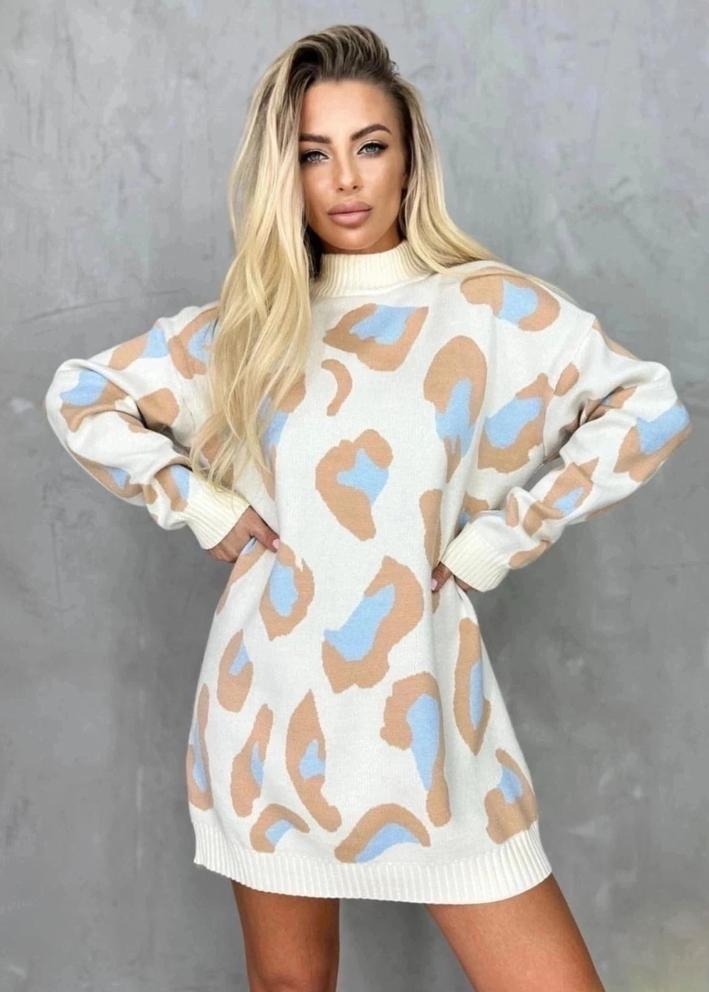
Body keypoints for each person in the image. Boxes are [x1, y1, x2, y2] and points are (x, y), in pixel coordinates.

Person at [43, 23, 692, 992]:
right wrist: (200, 504)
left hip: (433, 723)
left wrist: (499, 539)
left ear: (408, 159)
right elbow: (81, 394)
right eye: (314, 154)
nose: (344, 179)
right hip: (269, 713)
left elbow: (647, 407)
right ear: (286, 175)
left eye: (369, 145)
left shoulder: (487, 309)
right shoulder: (251, 327)